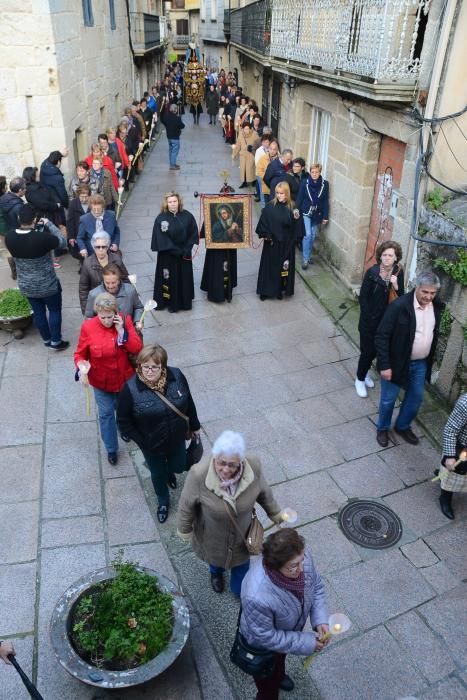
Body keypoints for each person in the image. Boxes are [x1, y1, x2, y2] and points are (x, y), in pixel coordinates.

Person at [177, 430, 283, 595]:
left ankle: (240, 590)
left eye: (232, 465)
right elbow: (186, 504)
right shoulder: (198, 474)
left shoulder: (253, 465)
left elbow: (264, 491)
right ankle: (216, 573)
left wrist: (275, 512)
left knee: (241, 569)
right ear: (215, 457)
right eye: (221, 463)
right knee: (216, 560)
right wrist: (184, 529)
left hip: (243, 534)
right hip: (212, 535)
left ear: (241, 461)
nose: (225, 469)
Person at [240, 528, 329, 699]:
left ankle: (279, 676)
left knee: (280, 660)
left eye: (302, 561)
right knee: (267, 685)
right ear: (275, 566)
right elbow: (266, 637)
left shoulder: (299, 557)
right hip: (262, 647)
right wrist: (307, 642)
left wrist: (320, 620)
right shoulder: (256, 595)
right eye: (294, 566)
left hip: (287, 631)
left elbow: (316, 585)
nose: (302, 569)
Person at [117, 344, 200, 522]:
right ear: (139, 366)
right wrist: (143, 442)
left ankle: (170, 471)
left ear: (163, 366)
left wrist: (195, 425)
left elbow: (189, 401)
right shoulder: (130, 389)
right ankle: (163, 501)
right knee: (157, 473)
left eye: (154, 366)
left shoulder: (176, 376)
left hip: (176, 436)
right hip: (151, 443)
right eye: (145, 366)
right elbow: (123, 422)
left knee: (179, 465)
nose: (149, 371)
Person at [374, 271, 443, 447]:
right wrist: (385, 365)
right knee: (388, 399)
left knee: (416, 397)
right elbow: (381, 336)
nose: (429, 296)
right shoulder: (399, 306)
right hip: (396, 363)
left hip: (420, 363)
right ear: (417, 287)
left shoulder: (436, 306)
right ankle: (382, 428)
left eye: (432, 293)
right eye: (425, 292)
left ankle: (402, 426)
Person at [74, 292, 143, 465]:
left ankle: (124, 429)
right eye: (102, 317)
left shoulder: (125, 321)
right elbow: (80, 354)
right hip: (101, 382)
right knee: (105, 416)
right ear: (97, 313)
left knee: (124, 410)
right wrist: (82, 370)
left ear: (115, 313)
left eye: (109, 317)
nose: (106, 320)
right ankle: (111, 449)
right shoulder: (88, 327)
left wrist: (122, 331)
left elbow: (136, 348)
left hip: (124, 379)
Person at [5, 204, 69, 350]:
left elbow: (25, 241)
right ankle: (56, 342)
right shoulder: (43, 238)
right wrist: (49, 223)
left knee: (39, 312)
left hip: (27, 285)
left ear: (19, 218)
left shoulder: (9, 237)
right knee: (54, 310)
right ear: (35, 219)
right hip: (48, 285)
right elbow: (62, 242)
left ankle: (46, 340)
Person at [355, 241, 404, 398]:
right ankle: (359, 379)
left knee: (375, 351)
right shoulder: (372, 272)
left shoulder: (398, 273)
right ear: (380, 256)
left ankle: (365, 374)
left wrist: (396, 286)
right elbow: (363, 297)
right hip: (369, 320)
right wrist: (368, 317)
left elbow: (402, 298)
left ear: (396, 258)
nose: (387, 258)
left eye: (391, 255)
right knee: (367, 351)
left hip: (386, 322)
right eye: (384, 255)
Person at [151, 191, 198, 312]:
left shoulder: (187, 215)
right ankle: (169, 302)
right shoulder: (161, 219)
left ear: (179, 202)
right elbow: (162, 238)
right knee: (169, 278)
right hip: (168, 255)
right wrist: (176, 250)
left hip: (184, 254)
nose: (173, 204)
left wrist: (187, 249)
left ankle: (184, 301)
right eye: (170, 202)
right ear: (166, 203)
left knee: (184, 277)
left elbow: (193, 233)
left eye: (175, 201)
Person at [256, 182, 303, 301]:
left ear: (287, 194)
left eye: (281, 193)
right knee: (269, 268)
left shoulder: (293, 207)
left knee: (282, 268)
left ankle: (279, 290)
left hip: (286, 244)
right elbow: (263, 223)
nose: (279, 195)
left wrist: (294, 240)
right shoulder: (269, 206)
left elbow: (298, 226)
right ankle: (265, 291)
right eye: (277, 193)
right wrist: (265, 234)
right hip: (272, 244)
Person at [79, 232, 129, 314]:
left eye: (103, 246)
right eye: (98, 247)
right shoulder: (87, 263)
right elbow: (83, 289)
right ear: (93, 247)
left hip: (116, 302)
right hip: (99, 305)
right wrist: (86, 311)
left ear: (108, 246)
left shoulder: (116, 259)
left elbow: (126, 279)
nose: (101, 249)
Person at [84, 263, 143, 329]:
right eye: (107, 283)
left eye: (113, 282)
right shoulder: (94, 294)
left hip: (127, 330)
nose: (110, 286)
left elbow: (138, 307)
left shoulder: (130, 290)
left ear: (119, 280)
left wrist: (137, 321)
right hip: (105, 334)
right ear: (103, 280)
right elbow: (89, 317)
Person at [437, 393, 467, 519]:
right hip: (460, 449)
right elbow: (450, 430)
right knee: (451, 476)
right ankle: (445, 498)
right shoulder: (465, 403)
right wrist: (449, 456)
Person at [296, 163, 329, 269]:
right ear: (310, 172)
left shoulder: (325, 184)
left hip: (317, 214)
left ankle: (308, 256)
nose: (314, 174)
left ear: (320, 172)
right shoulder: (304, 182)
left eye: (316, 172)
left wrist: (325, 216)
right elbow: (300, 197)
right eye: (312, 172)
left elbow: (325, 201)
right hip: (306, 212)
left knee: (313, 236)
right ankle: (305, 260)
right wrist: (296, 209)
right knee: (308, 235)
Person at [66, 184, 91, 263]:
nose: (84, 199)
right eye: (81, 197)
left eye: (86, 196)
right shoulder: (73, 203)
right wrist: (71, 236)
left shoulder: (93, 203)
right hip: (79, 233)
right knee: (80, 253)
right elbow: (70, 221)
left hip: (90, 234)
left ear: (89, 196)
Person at [232, 123, 260, 188]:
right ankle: (244, 182)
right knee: (243, 169)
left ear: (250, 129)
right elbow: (238, 144)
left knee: (251, 169)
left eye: (247, 129)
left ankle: (253, 181)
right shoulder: (241, 134)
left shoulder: (254, 134)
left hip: (251, 154)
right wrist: (234, 154)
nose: (246, 130)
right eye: (245, 129)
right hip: (243, 155)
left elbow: (258, 144)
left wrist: (253, 149)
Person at [160, 104, 185, 170]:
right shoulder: (177, 118)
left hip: (169, 136)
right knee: (174, 151)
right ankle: (172, 165)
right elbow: (182, 126)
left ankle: (172, 163)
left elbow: (163, 120)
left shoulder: (167, 117)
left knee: (171, 150)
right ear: (175, 110)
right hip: (175, 137)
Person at [256, 140, 279, 207]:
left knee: (275, 206)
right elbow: (259, 171)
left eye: (274, 149)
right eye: (271, 149)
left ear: (277, 150)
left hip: (276, 188)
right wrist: (267, 178)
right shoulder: (263, 158)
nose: (272, 151)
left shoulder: (280, 159)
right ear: (268, 149)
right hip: (266, 186)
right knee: (266, 205)